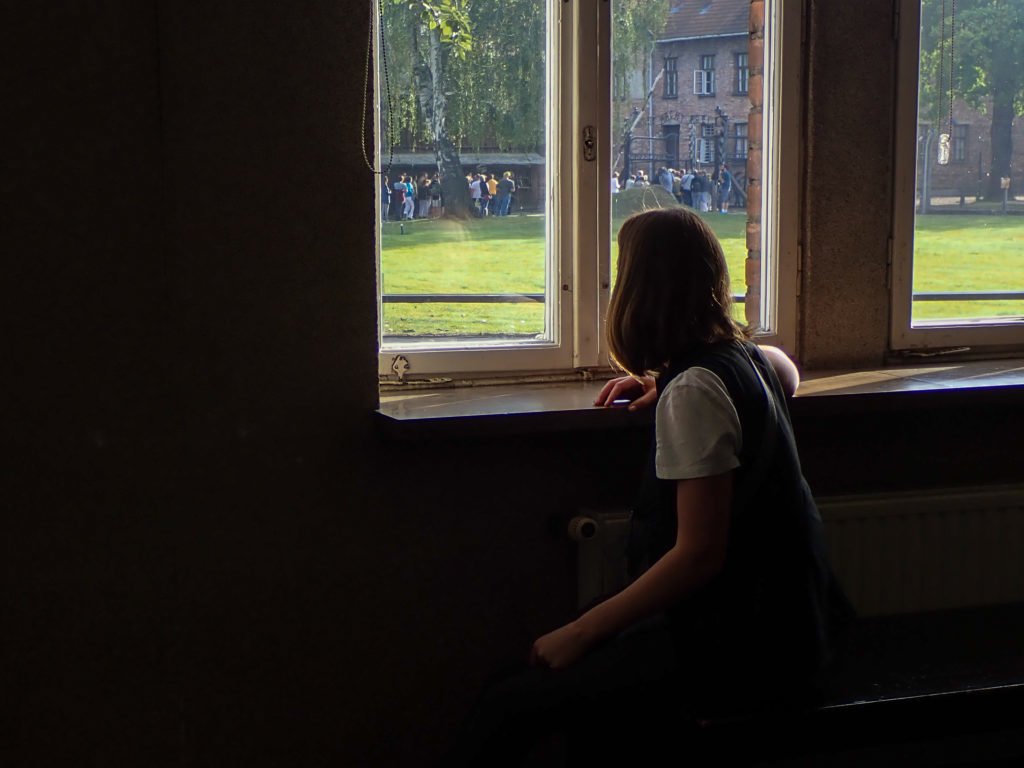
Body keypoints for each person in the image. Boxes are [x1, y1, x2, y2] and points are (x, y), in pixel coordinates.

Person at [441, 208, 851, 767]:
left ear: (640, 287)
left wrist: (581, 633)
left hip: (737, 650)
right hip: (792, 626)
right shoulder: (743, 361)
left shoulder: (696, 392)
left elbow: (699, 557)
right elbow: (786, 368)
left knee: (509, 703)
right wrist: (668, 381)